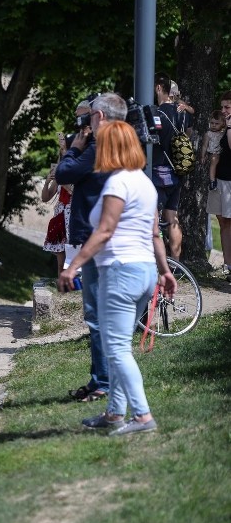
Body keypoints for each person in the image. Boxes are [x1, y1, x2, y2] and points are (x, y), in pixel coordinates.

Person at [58, 120, 177, 435]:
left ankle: (142, 416)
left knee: (117, 349)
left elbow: (105, 231)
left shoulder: (117, 184)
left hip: (120, 272)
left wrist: (73, 266)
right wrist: (164, 271)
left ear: (112, 148)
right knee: (121, 345)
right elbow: (155, 234)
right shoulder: (144, 183)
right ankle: (114, 414)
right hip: (145, 273)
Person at [55, 92, 127, 403]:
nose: (83, 124)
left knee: (97, 316)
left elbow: (63, 174)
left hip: (97, 238)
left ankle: (104, 383)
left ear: (98, 118)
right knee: (101, 315)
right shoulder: (123, 145)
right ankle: (103, 379)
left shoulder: (98, 147)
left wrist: (73, 149)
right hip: (111, 236)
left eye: (87, 118)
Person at [152, 73, 183, 260]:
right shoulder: (182, 113)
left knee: (153, 218)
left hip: (159, 171)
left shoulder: (158, 113)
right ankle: (176, 264)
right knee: (173, 218)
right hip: (177, 170)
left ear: (158, 88)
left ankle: (158, 263)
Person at [207, 91, 231, 281]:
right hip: (220, 179)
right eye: (222, 107)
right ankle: (227, 264)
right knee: (222, 221)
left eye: (227, 107)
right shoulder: (222, 127)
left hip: (230, 182)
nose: (223, 111)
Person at [202, 110, 225, 191]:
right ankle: (212, 181)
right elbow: (205, 146)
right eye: (212, 123)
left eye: (217, 123)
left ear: (222, 123)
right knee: (214, 161)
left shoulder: (223, 133)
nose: (214, 125)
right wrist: (203, 156)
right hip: (213, 153)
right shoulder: (208, 134)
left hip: (221, 153)